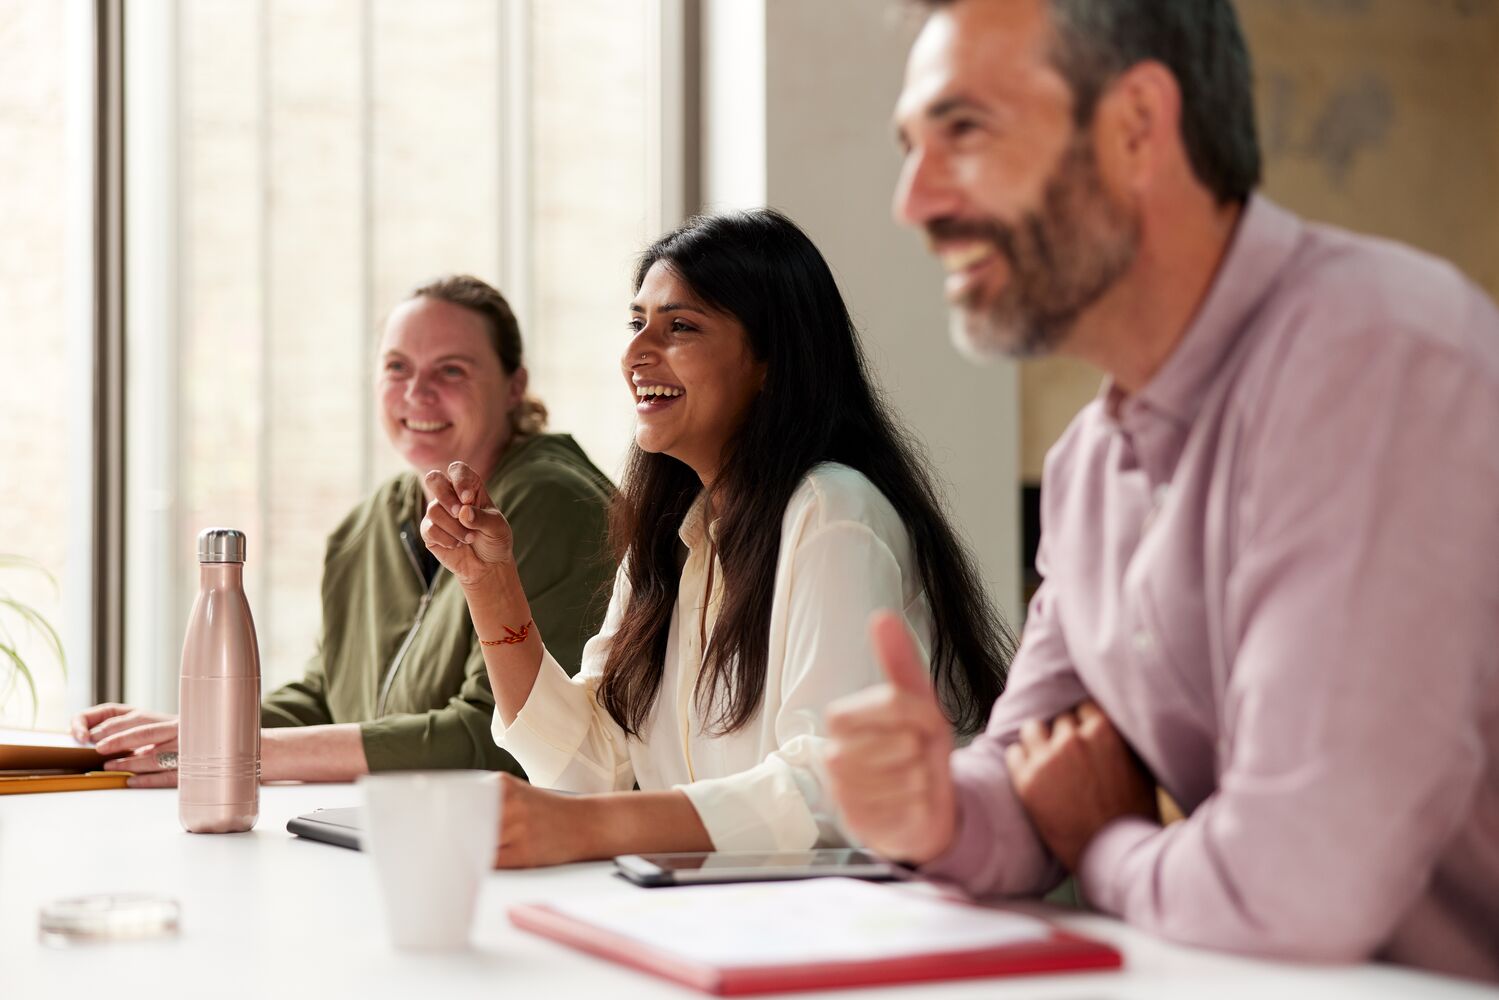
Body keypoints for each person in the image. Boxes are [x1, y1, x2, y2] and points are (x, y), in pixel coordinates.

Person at [823, 0, 1499, 981]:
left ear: (1135, 126)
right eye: (909, 145)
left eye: (962, 131)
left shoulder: (1376, 355)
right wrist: (935, 809)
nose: (913, 200)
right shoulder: (1087, 466)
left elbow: (1298, 884)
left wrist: (1105, 842)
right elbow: (1027, 778)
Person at [419, 209, 1014, 867]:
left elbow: (836, 788)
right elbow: (589, 769)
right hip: (721, 916)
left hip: (849, 929)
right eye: (635, 323)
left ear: (769, 361)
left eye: (680, 327)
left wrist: (592, 830)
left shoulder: (833, 512)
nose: (635, 353)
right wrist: (490, 584)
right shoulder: (677, 537)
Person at [73, 275, 615, 785]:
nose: (416, 392)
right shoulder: (367, 526)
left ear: (514, 385)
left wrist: (238, 750)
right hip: (379, 831)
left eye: (451, 370)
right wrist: (184, 733)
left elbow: (499, 738)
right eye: (397, 367)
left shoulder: (551, 502)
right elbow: (324, 695)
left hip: (516, 850)